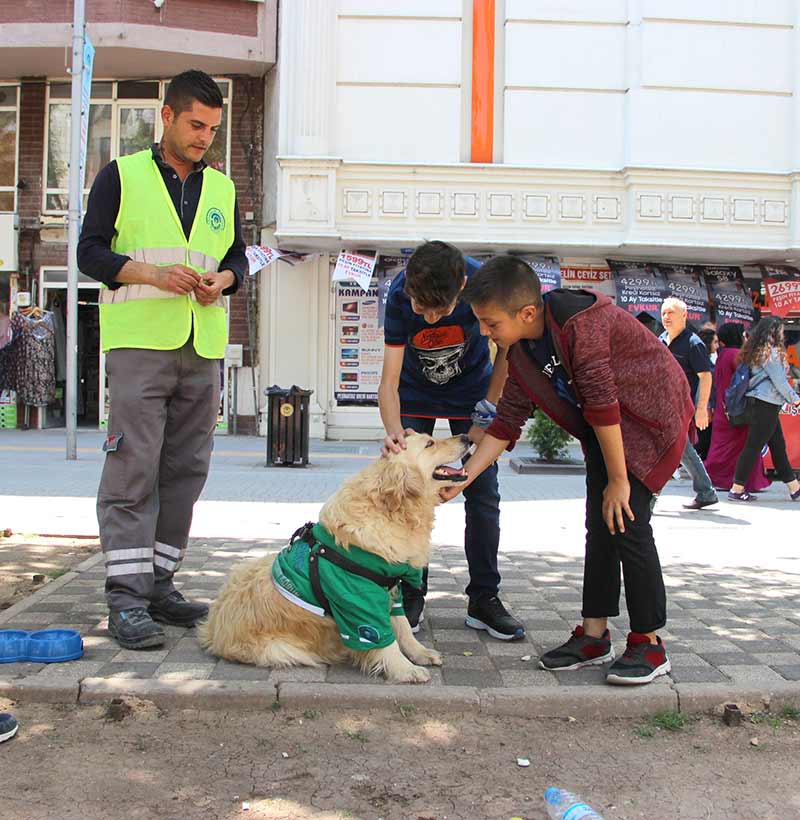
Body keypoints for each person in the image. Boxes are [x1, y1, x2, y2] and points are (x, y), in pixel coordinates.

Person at [444, 255, 693, 685]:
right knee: (600, 525)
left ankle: (649, 644)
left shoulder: (580, 321)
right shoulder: (521, 353)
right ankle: (594, 636)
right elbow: (506, 423)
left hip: (651, 421)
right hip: (608, 431)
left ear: (525, 312)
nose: (485, 332)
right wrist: (464, 477)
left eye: (490, 323)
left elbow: (600, 399)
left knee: (627, 522)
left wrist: (618, 480)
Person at [77, 70, 247, 649]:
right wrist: (153, 274)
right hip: (140, 346)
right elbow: (88, 254)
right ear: (167, 117)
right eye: (196, 124)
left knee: (185, 472)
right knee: (132, 470)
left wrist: (221, 280)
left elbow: (239, 261)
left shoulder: (222, 188)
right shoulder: (119, 176)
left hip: (202, 348)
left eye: (213, 129)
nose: (205, 137)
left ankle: (159, 584)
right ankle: (125, 599)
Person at [379, 241, 525, 641]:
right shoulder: (399, 293)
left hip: (471, 393)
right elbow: (388, 382)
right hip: (413, 393)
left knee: (482, 494)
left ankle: (484, 599)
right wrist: (396, 435)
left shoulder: (484, 284)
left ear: (462, 287)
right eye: (418, 307)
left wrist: (487, 411)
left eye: (435, 311)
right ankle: (410, 595)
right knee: (409, 493)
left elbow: (506, 354)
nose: (423, 317)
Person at [728, 317, 800, 502]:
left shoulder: (756, 351)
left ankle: (794, 487)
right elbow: (780, 382)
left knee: (777, 446)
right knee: (753, 446)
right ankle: (737, 489)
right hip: (765, 404)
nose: (783, 334)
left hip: (762, 404)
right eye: (781, 330)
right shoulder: (771, 353)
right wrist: (796, 400)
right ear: (774, 331)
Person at [659, 298, 719, 510]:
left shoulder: (694, 343)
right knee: (682, 450)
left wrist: (701, 408)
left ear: (684, 315)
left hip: (680, 408)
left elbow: (705, 377)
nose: (666, 317)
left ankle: (647, 499)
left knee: (664, 452)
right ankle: (706, 492)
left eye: (671, 313)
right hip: (661, 406)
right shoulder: (661, 340)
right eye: (664, 312)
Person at [703, 323, 770, 493]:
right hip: (737, 409)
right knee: (743, 446)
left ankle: (715, 477)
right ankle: (744, 481)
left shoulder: (722, 355)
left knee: (722, 447)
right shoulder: (736, 355)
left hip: (723, 408)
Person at [694, 326, 719, 460]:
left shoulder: (706, 360)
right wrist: (706, 407)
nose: (717, 345)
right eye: (715, 342)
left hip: (706, 406)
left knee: (705, 442)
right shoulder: (703, 361)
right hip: (704, 406)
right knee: (704, 441)